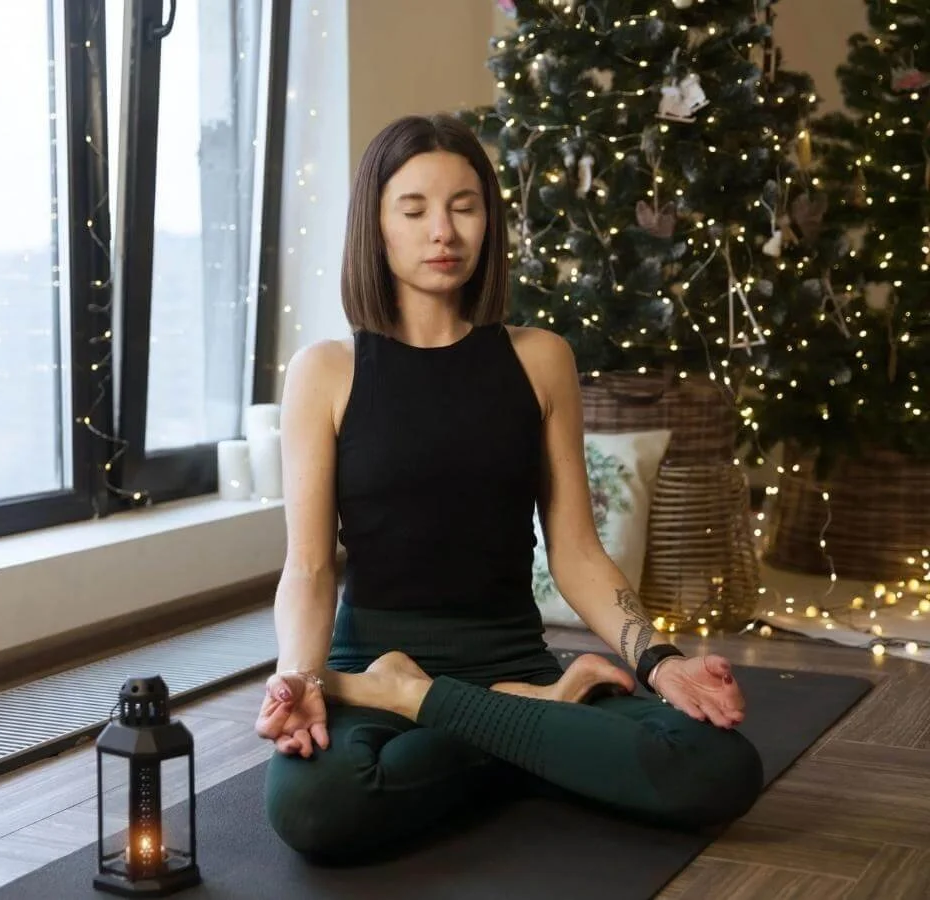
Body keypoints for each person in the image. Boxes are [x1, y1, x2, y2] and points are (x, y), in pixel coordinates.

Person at [254, 112, 764, 862]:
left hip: (500, 659)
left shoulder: (540, 358)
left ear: (489, 221)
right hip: (367, 662)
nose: (444, 233)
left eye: (465, 206)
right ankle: (538, 728)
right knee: (317, 807)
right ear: (375, 224)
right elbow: (309, 566)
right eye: (415, 208)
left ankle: (448, 702)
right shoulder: (326, 371)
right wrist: (301, 678)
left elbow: (578, 552)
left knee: (721, 768)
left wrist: (661, 659)